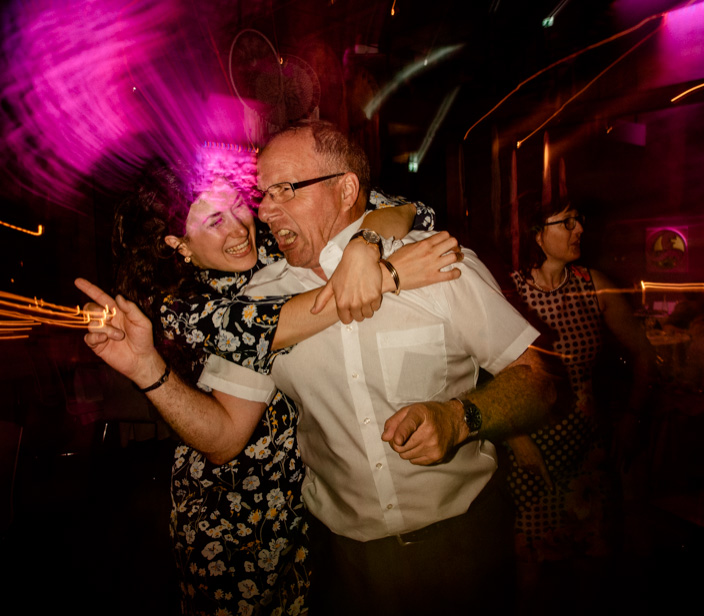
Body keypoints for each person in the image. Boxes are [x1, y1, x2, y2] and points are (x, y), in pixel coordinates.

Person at [193, 120, 559, 615]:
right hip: (344, 566)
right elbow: (222, 438)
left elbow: (539, 380)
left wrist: (460, 418)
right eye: (263, 194)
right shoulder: (262, 300)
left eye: (284, 190)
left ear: (345, 188)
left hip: (465, 546)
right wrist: (147, 369)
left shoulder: (435, 262)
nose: (265, 210)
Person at [76, 156, 460, 616]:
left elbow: (408, 210)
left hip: (307, 496)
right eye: (215, 220)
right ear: (178, 243)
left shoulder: (274, 253)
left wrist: (365, 243)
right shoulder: (182, 307)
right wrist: (385, 276)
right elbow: (268, 326)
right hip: (229, 510)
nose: (240, 229)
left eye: (240, 207)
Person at [504, 199, 653, 612]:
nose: (578, 230)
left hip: (590, 451)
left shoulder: (594, 284)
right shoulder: (510, 289)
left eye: (580, 222)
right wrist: (515, 437)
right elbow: (487, 373)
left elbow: (643, 353)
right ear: (538, 234)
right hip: (533, 452)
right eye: (566, 223)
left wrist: (631, 417)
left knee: (592, 569)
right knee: (531, 575)